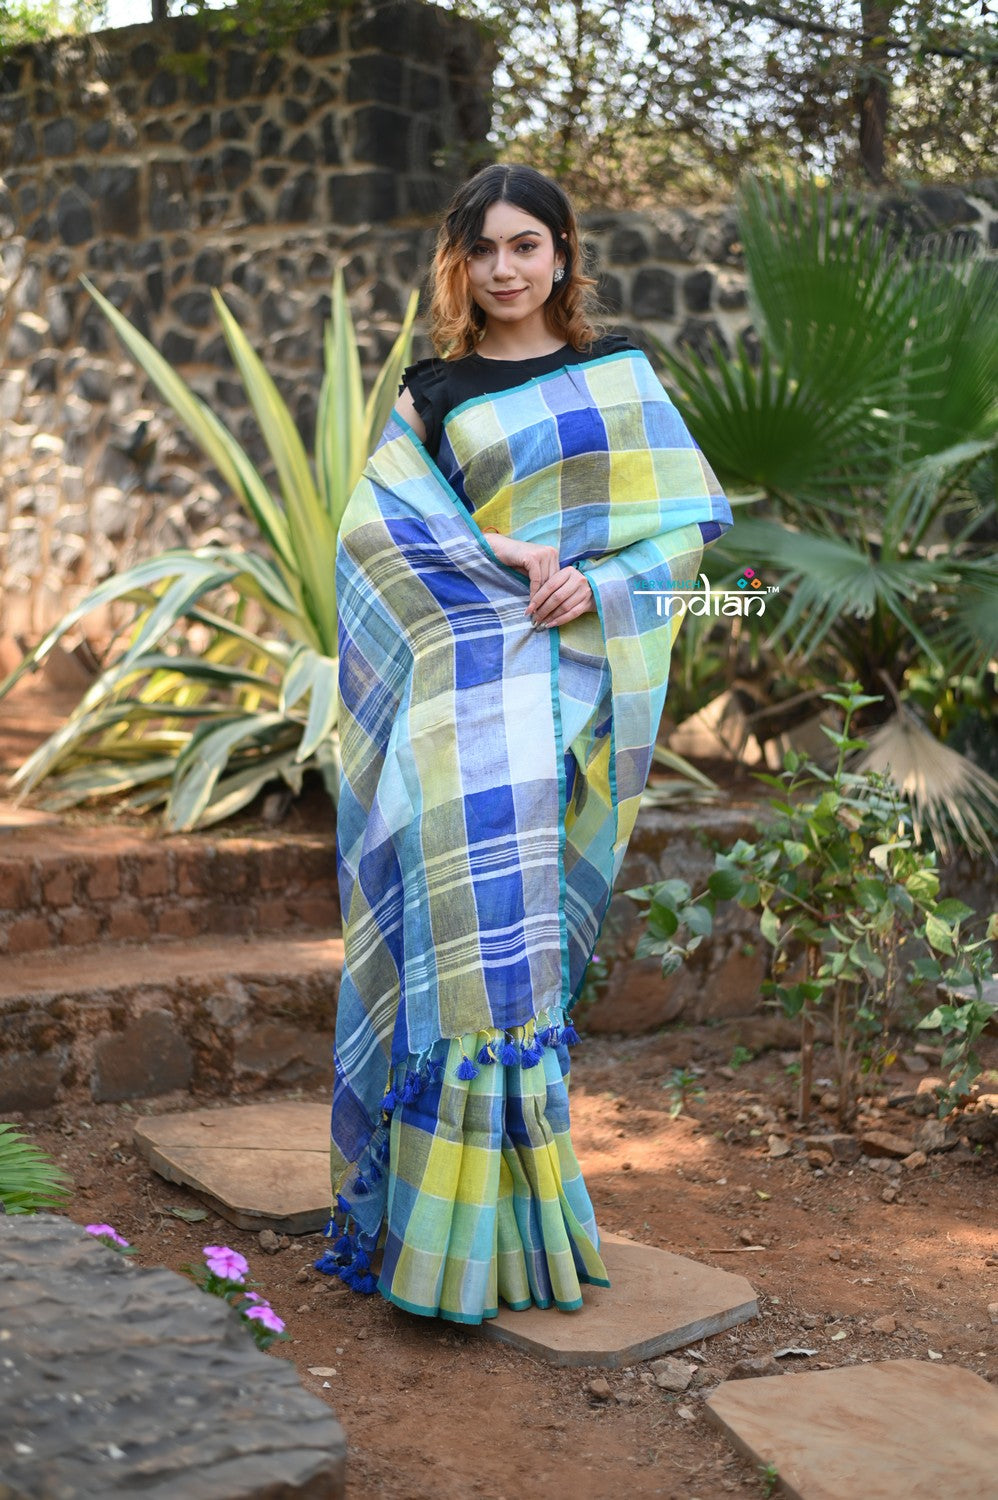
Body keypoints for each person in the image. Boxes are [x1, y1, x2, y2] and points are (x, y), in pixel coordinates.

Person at [315, 163, 733, 1324]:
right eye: (484, 249)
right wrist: (495, 551)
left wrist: (597, 583)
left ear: (561, 254)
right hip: (456, 713)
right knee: (457, 960)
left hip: (562, 707)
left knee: (517, 965)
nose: (505, 269)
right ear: (460, 262)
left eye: (526, 245)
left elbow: (690, 542)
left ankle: (515, 1232)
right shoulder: (433, 390)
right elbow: (369, 535)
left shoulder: (617, 379)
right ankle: (431, 1247)